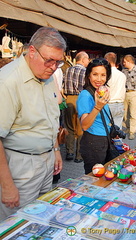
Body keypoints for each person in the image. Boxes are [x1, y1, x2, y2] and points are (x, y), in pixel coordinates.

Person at [0, 26, 66, 221]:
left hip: (46, 163)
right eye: (49, 60)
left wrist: (55, 150)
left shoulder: (47, 76)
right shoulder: (8, 81)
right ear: (31, 52)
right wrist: (7, 185)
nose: (54, 67)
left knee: (41, 219)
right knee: (18, 225)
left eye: (58, 62)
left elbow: (50, 118)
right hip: (21, 168)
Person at [76, 58, 111, 174]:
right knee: (95, 179)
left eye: (103, 75)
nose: (99, 79)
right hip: (93, 142)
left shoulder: (100, 91)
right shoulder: (85, 95)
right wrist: (97, 107)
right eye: (95, 74)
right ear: (89, 76)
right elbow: (84, 125)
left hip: (104, 139)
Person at [63, 51, 89, 163]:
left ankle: (69, 151)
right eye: (87, 59)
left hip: (69, 99)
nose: (88, 62)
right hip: (81, 99)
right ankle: (79, 155)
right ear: (83, 59)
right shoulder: (85, 71)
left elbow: (62, 84)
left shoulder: (68, 69)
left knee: (69, 126)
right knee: (80, 128)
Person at [104, 52, 126, 129]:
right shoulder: (122, 75)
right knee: (117, 130)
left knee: (105, 128)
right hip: (120, 104)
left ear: (106, 60)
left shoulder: (106, 74)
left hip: (108, 103)